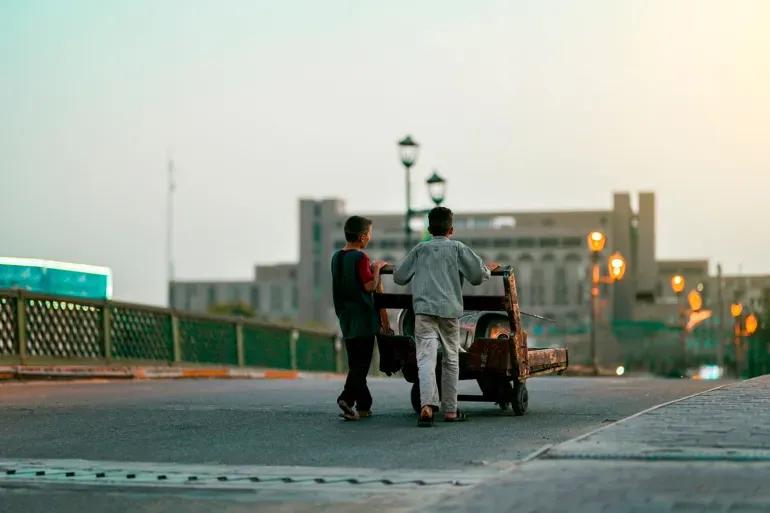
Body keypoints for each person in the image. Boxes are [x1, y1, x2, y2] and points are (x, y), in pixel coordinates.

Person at [394, 207, 496, 427]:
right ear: (452, 229)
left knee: (426, 359)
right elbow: (477, 276)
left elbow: (400, 276)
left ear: (430, 229)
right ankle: (450, 410)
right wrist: (488, 269)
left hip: (424, 312)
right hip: (449, 313)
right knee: (451, 358)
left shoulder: (420, 249)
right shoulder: (458, 248)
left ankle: (427, 407)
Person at [331, 215, 387, 421]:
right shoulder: (360, 257)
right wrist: (378, 269)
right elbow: (369, 286)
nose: (369, 238)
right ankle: (346, 398)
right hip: (363, 318)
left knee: (356, 362)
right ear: (363, 237)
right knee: (361, 365)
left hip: (346, 317)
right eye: (369, 234)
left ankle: (364, 405)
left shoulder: (336, 257)